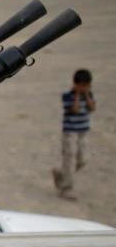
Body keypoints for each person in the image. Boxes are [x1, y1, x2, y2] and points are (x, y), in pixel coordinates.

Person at [52, 69, 96, 201]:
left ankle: (61, 174)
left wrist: (87, 95)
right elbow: (75, 109)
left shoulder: (89, 95)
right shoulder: (68, 95)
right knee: (69, 159)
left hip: (83, 132)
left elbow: (92, 108)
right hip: (70, 132)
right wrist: (77, 94)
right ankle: (66, 188)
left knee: (83, 159)